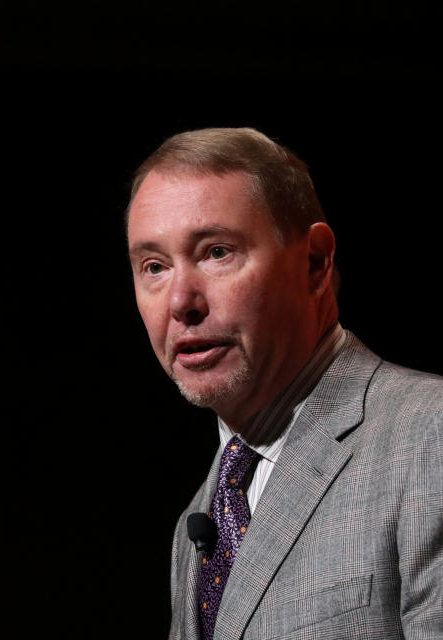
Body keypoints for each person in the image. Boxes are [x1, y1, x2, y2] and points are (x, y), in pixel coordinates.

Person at [125, 127, 442, 640]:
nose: (181, 302)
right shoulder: (200, 520)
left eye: (216, 252)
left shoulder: (428, 436)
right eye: (154, 266)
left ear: (314, 262)